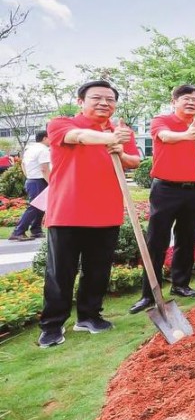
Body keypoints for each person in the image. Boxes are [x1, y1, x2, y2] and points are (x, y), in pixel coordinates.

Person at [38, 80, 140, 347]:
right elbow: (79, 138)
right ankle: (52, 325)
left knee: (97, 271)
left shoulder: (120, 130)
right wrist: (109, 139)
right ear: (81, 101)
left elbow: (134, 161)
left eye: (110, 99)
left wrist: (119, 149)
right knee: (60, 273)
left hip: (106, 212)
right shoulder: (61, 124)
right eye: (97, 98)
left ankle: (89, 316)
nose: (104, 103)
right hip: (68, 212)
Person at [130, 84, 195, 314]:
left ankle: (180, 284)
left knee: (187, 238)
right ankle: (149, 292)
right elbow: (165, 137)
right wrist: (186, 136)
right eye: (186, 99)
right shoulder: (162, 120)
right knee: (156, 240)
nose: (191, 103)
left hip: (194, 189)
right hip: (165, 188)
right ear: (174, 102)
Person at [9, 130, 51, 241]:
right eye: (50, 137)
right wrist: (52, 183)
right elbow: (44, 169)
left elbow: (23, 163)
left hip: (32, 180)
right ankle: (18, 231)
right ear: (44, 138)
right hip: (39, 180)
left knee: (40, 206)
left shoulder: (30, 149)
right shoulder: (43, 150)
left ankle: (36, 230)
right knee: (35, 207)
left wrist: (28, 176)